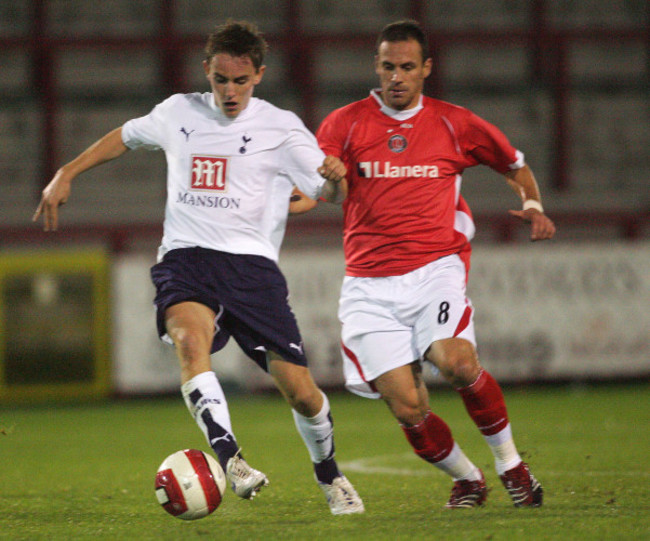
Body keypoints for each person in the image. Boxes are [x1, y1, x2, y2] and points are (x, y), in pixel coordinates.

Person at [33, 20, 364, 516]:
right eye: (221, 79)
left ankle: (330, 474)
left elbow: (327, 195)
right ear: (206, 71)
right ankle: (232, 461)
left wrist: (335, 180)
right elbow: (124, 136)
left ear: (259, 75)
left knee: (302, 395)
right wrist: (66, 172)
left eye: (241, 80)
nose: (230, 91)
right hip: (186, 259)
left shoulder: (282, 127)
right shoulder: (177, 112)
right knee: (191, 342)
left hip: (252, 270)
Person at [312, 19, 556, 508]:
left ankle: (511, 466)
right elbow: (327, 194)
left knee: (457, 362)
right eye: (387, 67)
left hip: (434, 269)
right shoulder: (345, 122)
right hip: (369, 284)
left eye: (407, 67)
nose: (396, 77)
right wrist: (332, 179)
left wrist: (533, 206)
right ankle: (467, 479)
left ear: (426, 68)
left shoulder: (454, 122)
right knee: (408, 406)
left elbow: (515, 165)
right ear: (376, 67)